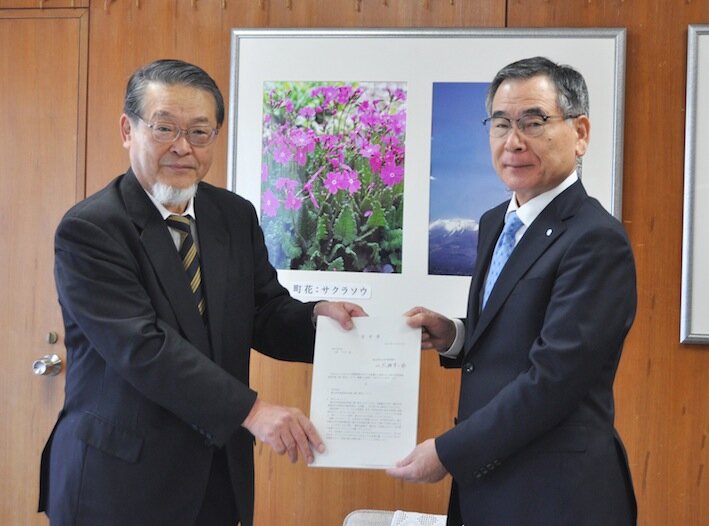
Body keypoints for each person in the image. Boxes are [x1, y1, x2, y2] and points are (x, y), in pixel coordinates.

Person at [38, 58, 365, 526]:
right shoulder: (92, 229)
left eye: (199, 132)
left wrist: (322, 322)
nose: (182, 147)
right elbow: (143, 347)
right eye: (164, 128)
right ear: (128, 130)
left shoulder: (232, 215)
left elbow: (263, 311)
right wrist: (253, 410)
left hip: (216, 476)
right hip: (119, 483)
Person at [387, 56, 637, 525]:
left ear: (580, 133)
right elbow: (514, 331)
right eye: (501, 124)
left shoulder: (595, 239)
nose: (513, 141)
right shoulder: (495, 223)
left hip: (558, 497)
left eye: (533, 122)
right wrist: (456, 335)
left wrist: (447, 452)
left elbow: (553, 379)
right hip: (490, 488)